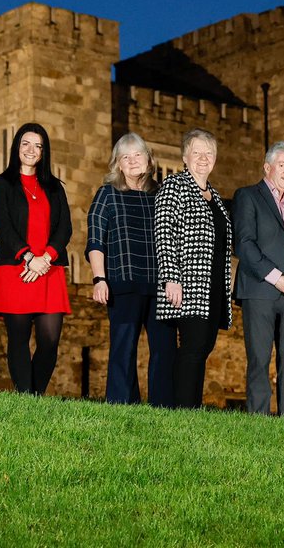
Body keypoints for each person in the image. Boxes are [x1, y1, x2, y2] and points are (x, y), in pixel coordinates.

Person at [85, 133, 174, 406]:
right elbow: (95, 240)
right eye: (126, 157)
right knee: (123, 348)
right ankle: (122, 406)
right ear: (118, 165)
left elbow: (172, 237)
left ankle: (164, 408)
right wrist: (99, 278)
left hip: (161, 285)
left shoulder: (161, 195)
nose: (133, 161)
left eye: (138, 155)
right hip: (123, 284)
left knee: (165, 350)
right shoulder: (107, 194)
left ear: (149, 161)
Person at [0, 123, 72, 395]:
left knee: (49, 340)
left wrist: (46, 257)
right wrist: (28, 257)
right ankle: (26, 398)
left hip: (49, 268)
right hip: (15, 268)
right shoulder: (1, 184)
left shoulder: (55, 187)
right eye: (26, 143)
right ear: (16, 147)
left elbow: (65, 228)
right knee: (19, 339)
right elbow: (1, 225)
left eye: (38, 145)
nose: (31, 150)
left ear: (44, 152)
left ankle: (35, 395)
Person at [232, 141, 284, 416]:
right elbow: (244, 244)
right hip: (261, 291)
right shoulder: (248, 196)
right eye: (283, 165)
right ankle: (259, 420)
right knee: (259, 360)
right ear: (267, 167)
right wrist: (278, 279)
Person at [154, 128, 232, 409]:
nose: (203, 158)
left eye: (208, 153)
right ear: (185, 156)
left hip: (213, 287)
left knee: (203, 348)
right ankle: (184, 411)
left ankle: (188, 408)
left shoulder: (215, 196)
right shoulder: (174, 186)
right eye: (196, 152)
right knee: (192, 348)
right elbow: (164, 234)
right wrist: (171, 279)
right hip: (187, 284)